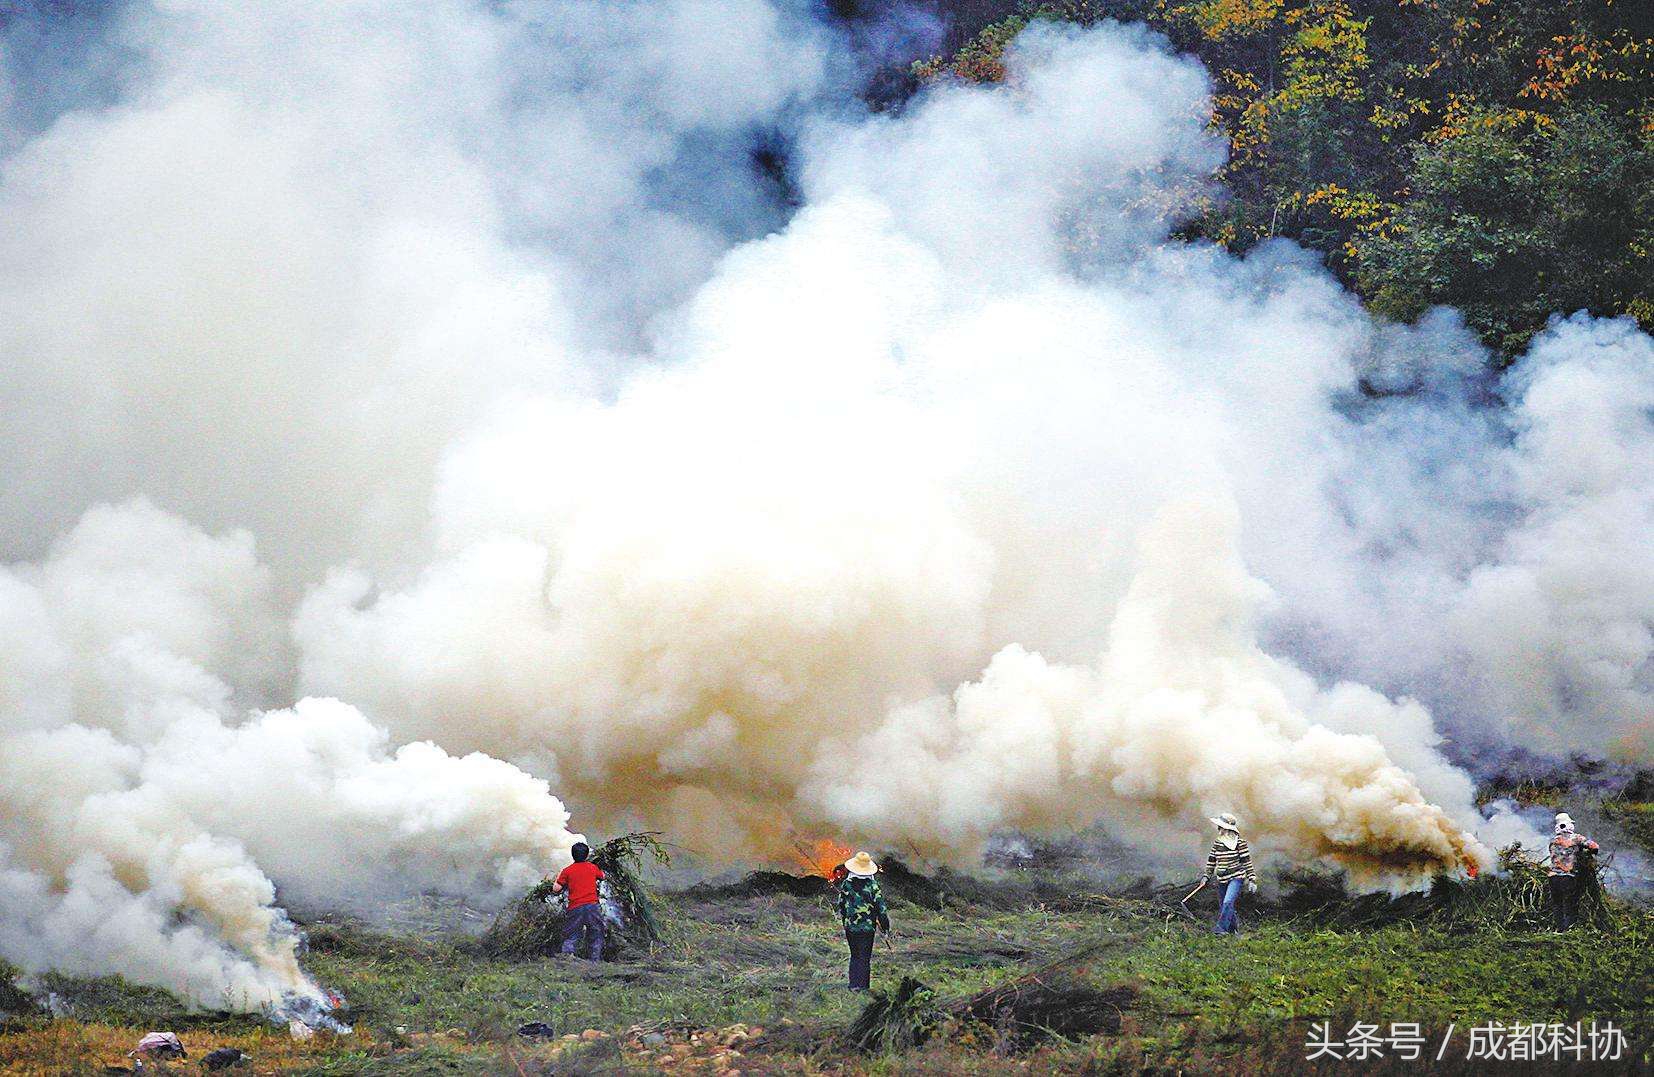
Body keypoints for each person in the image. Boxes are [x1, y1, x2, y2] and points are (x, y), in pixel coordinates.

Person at [834, 850, 890, 990]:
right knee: (864, 957)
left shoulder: (846, 885)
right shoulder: (872, 886)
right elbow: (881, 908)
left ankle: (853, 985)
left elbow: (841, 905)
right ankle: (863, 987)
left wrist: (845, 921)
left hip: (850, 927)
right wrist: (885, 926)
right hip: (867, 928)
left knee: (855, 955)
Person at [1203, 812, 1257, 935]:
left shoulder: (1240, 843)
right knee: (1225, 906)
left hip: (1236, 878)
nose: (1218, 829)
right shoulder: (1218, 843)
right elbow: (1211, 861)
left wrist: (1252, 878)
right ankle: (1234, 931)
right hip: (1222, 879)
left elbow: (1246, 861)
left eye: (1220, 827)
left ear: (1226, 829)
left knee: (1228, 902)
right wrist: (1206, 876)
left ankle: (1220, 930)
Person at [552, 841, 607, 960]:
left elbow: (556, 889)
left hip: (575, 907)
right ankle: (594, 960)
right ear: (587, 855)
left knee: (571, 934)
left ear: (572, 855)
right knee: (596, 933)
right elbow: (602, 876)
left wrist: (557, 878)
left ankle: (567, 959)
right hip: (592, 907)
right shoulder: (592, 867)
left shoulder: (567, 871)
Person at [1545, 812, 1599, 931]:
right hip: (1568, 877)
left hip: (1552, 877)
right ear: (1569, 825)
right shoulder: (1576, 838)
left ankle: (1560, 929)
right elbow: (1594, 846)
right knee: (1570, 903)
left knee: (1557, 904)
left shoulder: (1552, 841)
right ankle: (1569, 929)